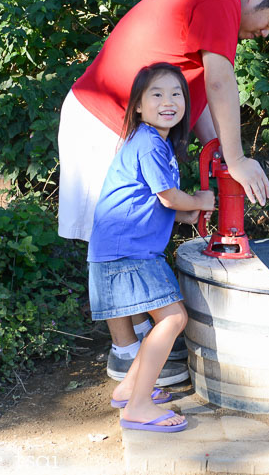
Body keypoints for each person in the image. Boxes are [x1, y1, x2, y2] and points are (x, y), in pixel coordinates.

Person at [58, 0, 269, 381]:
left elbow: (203, 100)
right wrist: (239, 158)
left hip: (123, 128)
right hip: (102, 119)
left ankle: (138, 340)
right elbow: (221, 84)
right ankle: (126, 354)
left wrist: (220, 155)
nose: (266, 35)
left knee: (131, 238)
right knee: (114, 242)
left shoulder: (215, 5)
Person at [88, 63, 214, 432]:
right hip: (128, 251)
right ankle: (139, 406)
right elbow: (168, 196)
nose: (168, 101)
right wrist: (199, 202)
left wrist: (183, 214)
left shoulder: (152, 143)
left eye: (176, 94)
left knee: (169, 318)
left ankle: (129, 390)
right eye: (157, 94)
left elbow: (149, 202)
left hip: (124, 248)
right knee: (174, 318)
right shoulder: (149, 143)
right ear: (139, 106)